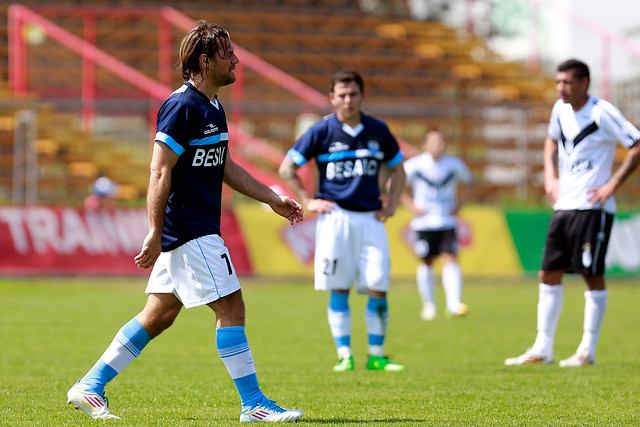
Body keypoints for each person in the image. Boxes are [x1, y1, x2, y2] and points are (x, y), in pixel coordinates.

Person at [66, 21, 304, 422]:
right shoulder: (182, 107)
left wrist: (271, 197)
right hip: (191, 230)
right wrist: (155, 232)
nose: (237, 60)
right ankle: (254, 405)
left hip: (191, 229)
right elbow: (159, 172)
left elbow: (225, 165)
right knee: (231, 306)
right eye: (229, 54)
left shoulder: (212, 105)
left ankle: (90, 386)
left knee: (158, 314)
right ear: (205, 60)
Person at [505, 59, 640, 367]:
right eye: (557, 82)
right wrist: (550, 175)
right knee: (548, 273)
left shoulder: (602, 112)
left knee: (591, 275)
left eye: (566, 82)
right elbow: (551, 139)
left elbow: (636, 144)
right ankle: (543, 347)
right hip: (564, 205)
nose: (560, 87)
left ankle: (587, 350)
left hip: (593, 207)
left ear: (584, 83)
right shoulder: (559, 109)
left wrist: (612, 184)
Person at [279, 70, 406, 373]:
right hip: (336, 219)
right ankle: (344, 354)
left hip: (371, 219)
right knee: (339, 287)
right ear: (332, 97)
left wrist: (392, 200)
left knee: (378, 285)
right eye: (342, 95)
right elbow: (287, 168)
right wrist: (308, 200)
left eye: (353, 94)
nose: (348, 100)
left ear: (362, 96)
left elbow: (399, 169)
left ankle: (376, 355)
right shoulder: (321, 131)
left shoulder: (378, 129)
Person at [402, 130, 473, 321]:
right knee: (427, 261)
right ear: (424, 144)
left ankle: (453, 303)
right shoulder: (415, 165)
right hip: (423, 223)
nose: (438, 145)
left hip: (446, 221)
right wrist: (411, 205)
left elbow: (469, 183)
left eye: (441, 142)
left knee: (450, 258)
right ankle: (429, 305)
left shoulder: (454, 164)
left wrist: (459, 205)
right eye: (433, 142)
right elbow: (397, 186)